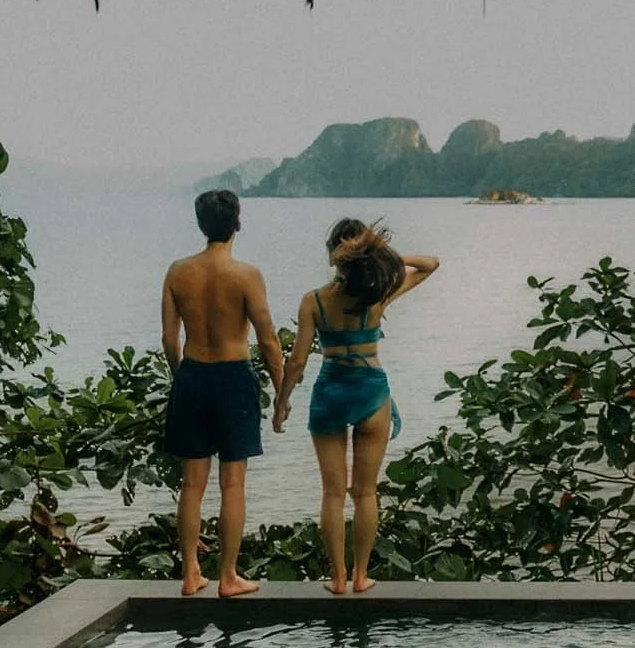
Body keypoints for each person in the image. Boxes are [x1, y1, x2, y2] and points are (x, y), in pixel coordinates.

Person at [274, 218, 439, 595]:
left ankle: (337, 578)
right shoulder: (379, 294)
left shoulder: (313, 301)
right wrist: (382, 255)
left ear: (333, 254)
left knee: (332, 492)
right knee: (365, 492)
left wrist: (281, 403)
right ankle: (361, 576)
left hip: (331, 392)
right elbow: (431, 264)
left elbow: (297, 362)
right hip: (370, 394)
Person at [160, 189, 285, 598]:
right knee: (233, 484)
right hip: (233, 377)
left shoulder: (177, 272)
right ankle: (228, 577)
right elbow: (268, 341)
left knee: (192, 483)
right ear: (237, 223)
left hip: (194, 375)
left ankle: (192, 574)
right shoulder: (246, 275)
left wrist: (183, 377)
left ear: (201, 224)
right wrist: (282, 392)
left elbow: (168, 338)